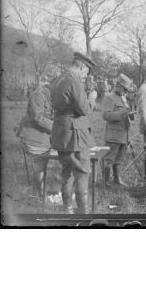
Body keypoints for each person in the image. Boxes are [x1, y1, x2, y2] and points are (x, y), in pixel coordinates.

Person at [50, 52, 97, 214]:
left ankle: (67, 209)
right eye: (86, 72)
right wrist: (92, 98)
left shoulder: (58, 79)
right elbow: (84, 109)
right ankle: (84, 213)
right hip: (76, 134)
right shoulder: (73, 79)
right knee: (82, 172)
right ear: (82, 66)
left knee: (67, 171)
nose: (85, 76)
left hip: (61, 132)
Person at [16, 73, 55, 198]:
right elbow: (36, 117)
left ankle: (39, 192)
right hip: (32, 135)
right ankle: (40, 197)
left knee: (42, 164)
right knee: (39, 164)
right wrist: (57, 127)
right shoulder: (38, 95)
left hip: (43, 135)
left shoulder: (53, 96)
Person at [102, 73, 136, 186]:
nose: (126, 92)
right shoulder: (109, 97)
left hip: (124, 135)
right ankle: (105, 182)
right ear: (118, 85)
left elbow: (125, 114)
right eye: (124, 89)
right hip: (113, 135)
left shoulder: (123, 98)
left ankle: (117, 179)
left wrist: (130, 115)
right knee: (109, 159)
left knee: (119, 159)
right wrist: (122, 113)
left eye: (127, 90)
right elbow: (106, 115)